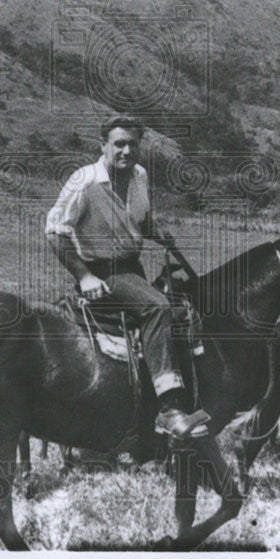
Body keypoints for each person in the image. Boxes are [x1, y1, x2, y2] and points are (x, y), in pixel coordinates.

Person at [45, 114, 209, 439]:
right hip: (104, 272)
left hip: (132, 268)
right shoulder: (85, 182)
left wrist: (156, 232)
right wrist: (86, 277)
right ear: (103, 145)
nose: (126, 150)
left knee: (186, 305)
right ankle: (169, 410)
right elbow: (55, 231)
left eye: (132, 144)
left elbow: (139, 219)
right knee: (158, 308)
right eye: (118, 144)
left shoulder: (140, 176)